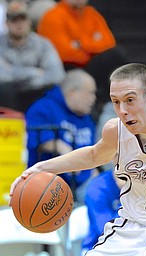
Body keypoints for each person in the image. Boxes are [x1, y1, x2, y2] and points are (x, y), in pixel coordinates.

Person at [10, 63, 146, 255]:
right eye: (116, 102)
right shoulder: (116, 130)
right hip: (128, 228)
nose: (122, 110)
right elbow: (94, 155)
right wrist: (41, 168)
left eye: (130, 100)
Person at [37, 0, 126, 120]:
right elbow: (64, 53)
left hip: (90, 65)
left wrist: (81, 44)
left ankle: (110, 102)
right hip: (66, 69)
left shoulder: (92, 14)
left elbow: (109, 42)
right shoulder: (53, 15)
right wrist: (93, 44)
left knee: (115, 55)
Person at [25, 69, 97, 203]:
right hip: (47, 187)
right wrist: (67, 155)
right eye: (90, 93)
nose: (94, 99)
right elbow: (41, 140)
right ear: (73, 92)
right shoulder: (43, 108)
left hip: (81, 183)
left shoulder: (87, 118)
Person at [0, 0, 65, 112]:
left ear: (29, 21)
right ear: (6, 23)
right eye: (14, 20)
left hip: (35, 93)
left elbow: (57, 75)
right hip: (7, 97)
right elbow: (2, 76)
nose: (19, 24)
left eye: (23, 19)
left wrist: (15, 74)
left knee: (52, 90)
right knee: (5, 88)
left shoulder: (43, 43)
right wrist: (34, 72)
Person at [81, 169, 122, 255]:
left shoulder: (144, 185)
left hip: (133, 244)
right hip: (98, 247)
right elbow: (105, 231)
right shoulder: (97, 186)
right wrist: (127, 196)